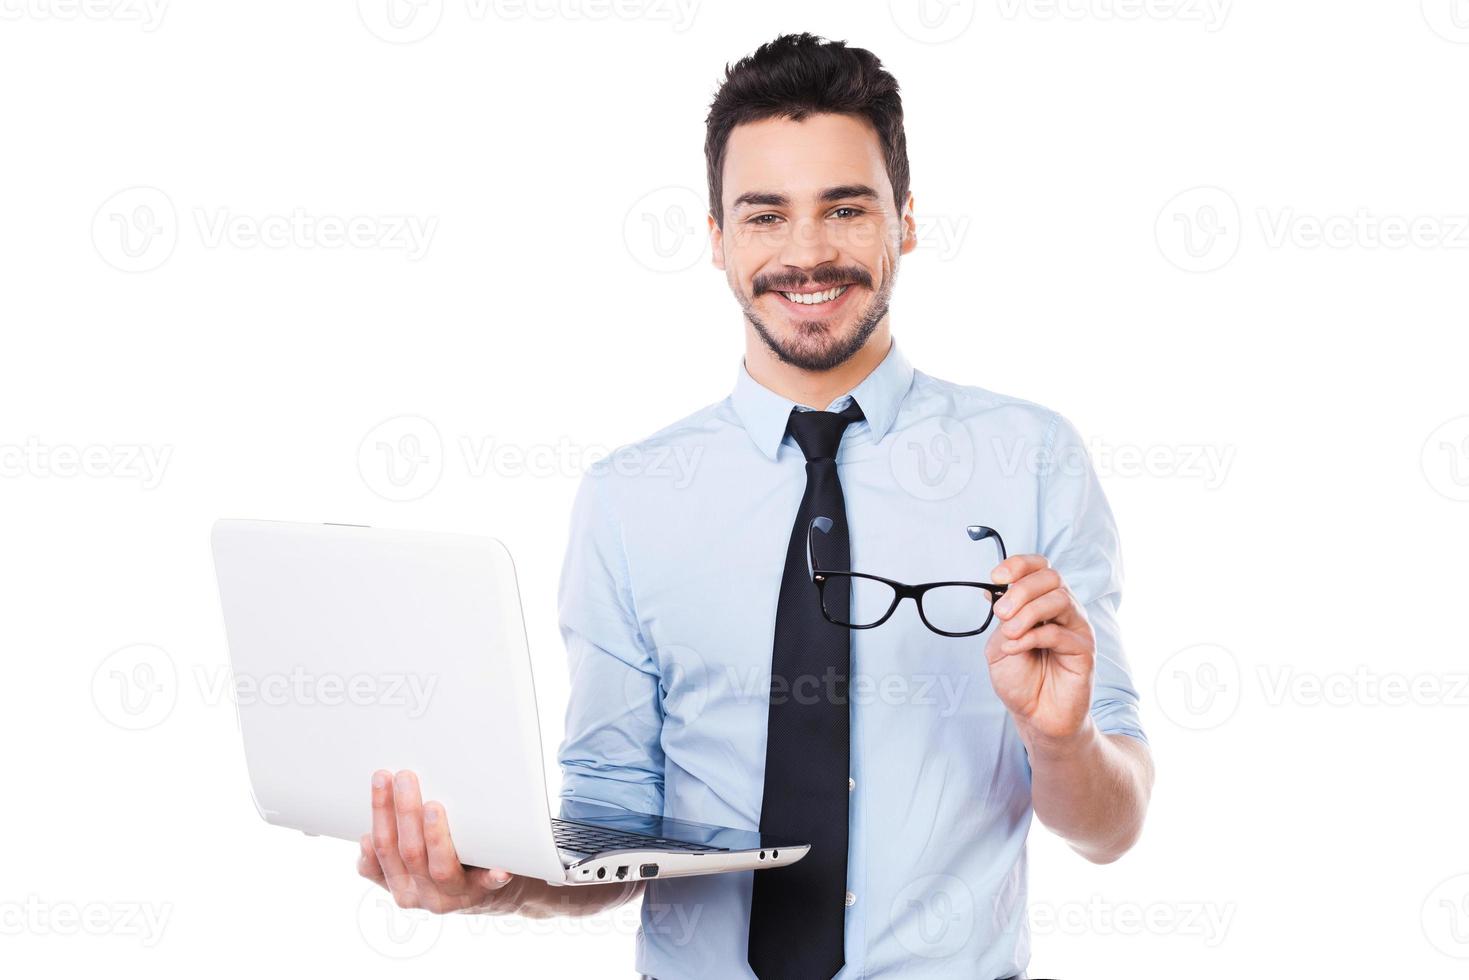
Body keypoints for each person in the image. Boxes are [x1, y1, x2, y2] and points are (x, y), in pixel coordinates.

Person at [357, 31, 1154, 980]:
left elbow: (1113, 828)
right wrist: (496, 880)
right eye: (765, 215)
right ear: (716, 238)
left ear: (904, 219)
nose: (807, 254)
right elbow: (615, 828)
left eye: (846, 209)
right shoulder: (628, 499)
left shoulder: (1030, 460)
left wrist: (1057, 739)